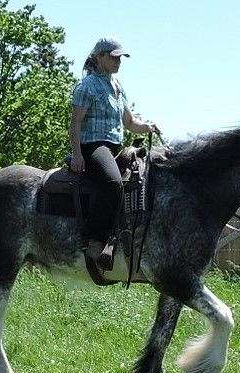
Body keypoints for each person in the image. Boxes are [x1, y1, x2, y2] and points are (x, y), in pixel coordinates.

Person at [69, 37, 159, 270]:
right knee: (112, 183)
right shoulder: (86, 86)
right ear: (100, 58)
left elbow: (129, 123)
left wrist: (148, 126)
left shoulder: (117, 86)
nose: (119, 61)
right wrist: (77, 154)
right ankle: (95, 240)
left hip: (117, 147)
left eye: (121, 57)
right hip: (94, 147)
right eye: (114, 56)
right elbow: (76, 123)